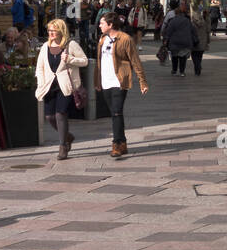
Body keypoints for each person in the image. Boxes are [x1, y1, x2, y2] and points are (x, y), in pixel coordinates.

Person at [34, 18, 89, 160]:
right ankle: (68, 136)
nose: (51, 33)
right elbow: (40, 67)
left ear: (61, 31)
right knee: (49, 117)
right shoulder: (45, 46)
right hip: (49, 86)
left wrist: (70, 59)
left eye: (54, 30)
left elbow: (85, 61)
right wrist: (41, 83)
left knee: (60, 114)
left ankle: (62, 145)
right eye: (49, 30)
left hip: (66, 86)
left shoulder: (71, 45)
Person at [95, 12, 148, 158]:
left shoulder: (125, 39)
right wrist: (97, 81)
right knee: (114, 113)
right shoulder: (102, 39)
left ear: (110, 25)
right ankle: (123, 142)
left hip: (119, 81)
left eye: (102, 23)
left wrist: (142, 81)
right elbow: (99, 63)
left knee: (117, 112)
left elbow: (135, 60)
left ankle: (116, 144)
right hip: (105, 81)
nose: (99, 25)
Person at [164, 2, 199, 76]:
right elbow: (193, 30)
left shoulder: (172, 21)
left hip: (174, 42)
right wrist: (195, 39)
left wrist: (166, 40)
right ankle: (182, 72)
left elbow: (168, 31)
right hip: (185, 41)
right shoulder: (187, 21)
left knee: (174, 57)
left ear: (175, 13)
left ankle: (174, 70)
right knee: (183, 57)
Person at [190, 4, 211, 76]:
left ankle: (197, 67)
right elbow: (208, 29)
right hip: (203, 39)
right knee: (199, 55)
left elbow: (190, 29)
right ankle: (198, 67)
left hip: (194, 40)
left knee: (194, 54)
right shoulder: (206, 18)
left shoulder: (193, 18)